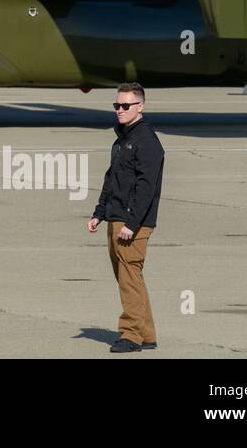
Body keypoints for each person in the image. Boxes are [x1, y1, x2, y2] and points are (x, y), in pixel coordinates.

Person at [87, 82, 165, 353]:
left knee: (130, 279)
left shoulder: (147, 142)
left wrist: (132, 224)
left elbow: (147, 187)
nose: (120, 110)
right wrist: (99, 212)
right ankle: (146, 333)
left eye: (125, 106)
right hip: (116, 217)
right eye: (116, 105)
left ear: (140, 106)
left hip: (134, 222)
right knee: (130, 279)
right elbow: (112, 178)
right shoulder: (123, 138)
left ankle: (130, 336)